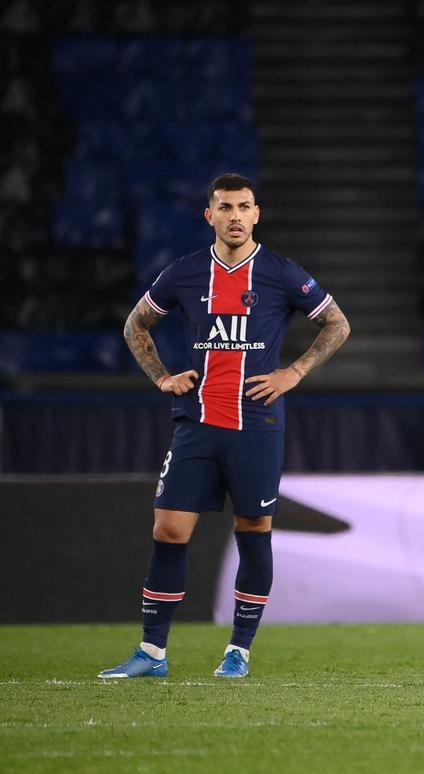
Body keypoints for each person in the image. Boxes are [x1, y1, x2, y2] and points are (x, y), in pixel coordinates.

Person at [99, 173, 350, 679]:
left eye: (244, 206)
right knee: (168, 529)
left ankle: (239, 650)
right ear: (208, 216)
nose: (235, 216)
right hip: (198, 420)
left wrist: (294, 371)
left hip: (257, 422)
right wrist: (163, 377)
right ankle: (152, 653)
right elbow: (135, 324)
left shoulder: (281, 273)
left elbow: (337, 323)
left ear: (257, 213)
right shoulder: (186, 272)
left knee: (253, 528)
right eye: (225, 207)